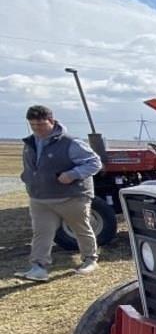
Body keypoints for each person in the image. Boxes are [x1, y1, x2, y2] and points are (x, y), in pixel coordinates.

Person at [15, 105, 102, 282]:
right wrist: (28, 179)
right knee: (41, 232)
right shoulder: (30, 142)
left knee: (80, 228)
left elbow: (94, 163)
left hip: (71, 196)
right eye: (33, 125)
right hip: (40, 198)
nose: (37, 129)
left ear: (52, 121)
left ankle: (89, 260)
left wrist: (72, 175)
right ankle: (39, 267)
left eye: (41, 124)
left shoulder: (70, 142)